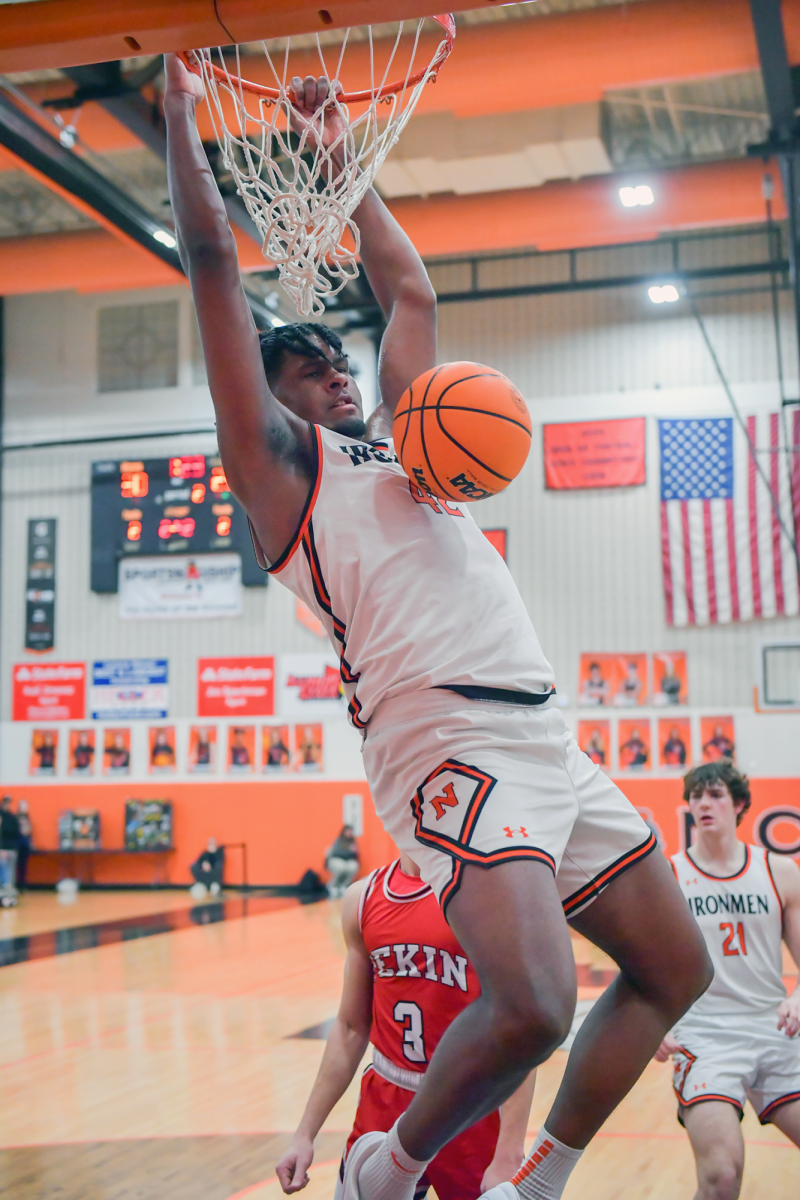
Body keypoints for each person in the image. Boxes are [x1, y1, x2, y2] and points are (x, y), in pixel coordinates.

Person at [165, 54, 710, 1200]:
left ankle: (539, 1176)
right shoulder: (277, 471)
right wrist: (181, 117)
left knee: (673, 967)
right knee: (533, 1000)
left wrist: (337, 157)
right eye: (306, 368)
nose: (333, 372)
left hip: (540, 737)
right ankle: (388, 1164)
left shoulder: (410, 444)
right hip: (442, 740)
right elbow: (212, 258)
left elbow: (406, 292)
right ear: (271, 399)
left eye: (333, 358)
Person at [277, 853, 536, 1200]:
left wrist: (509, 1148)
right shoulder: (364, 898)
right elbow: (352, 1027)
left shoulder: (486, 894)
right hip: (386, 1099)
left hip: (469, 1103)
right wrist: (305, 1133)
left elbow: (521, 1025)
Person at [656, 761, 800, 1198]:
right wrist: (653, 1025)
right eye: (696, 796)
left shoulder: (779, 871)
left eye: (715, 794)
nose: (703, 803)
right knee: (721, 1175)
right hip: (706, 1036)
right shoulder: (669, 876)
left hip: (775, 1028)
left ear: (738, 804)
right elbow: (644, 963)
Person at [325, 825, 360, 899]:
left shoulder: (352, 841)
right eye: (348, 831)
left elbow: (355, 855)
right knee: (341, 867)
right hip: (336, 860)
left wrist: (352, 852)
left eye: (351, 831)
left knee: (354, 866)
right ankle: (333, 886)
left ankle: (344, 885)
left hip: (346, 861)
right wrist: (348, 852)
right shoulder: (338, 840)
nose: (349, 833)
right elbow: (336, 853)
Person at [0, 797, 21, 891]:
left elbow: (17, 832)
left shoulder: (12, 817)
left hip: (11, 847)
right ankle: (4, 889)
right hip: (2, 848)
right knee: (4, 869)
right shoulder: (2, 817)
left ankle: (9, 890)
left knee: (11, 870)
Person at [16, 799, 32, 889]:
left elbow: (28, 832)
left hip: (25, 845)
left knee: (23, 866)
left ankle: (22, 884)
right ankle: (18, 884)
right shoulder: (16, 818)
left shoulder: (27, 818)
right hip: (18, 845)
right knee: (17, 866)